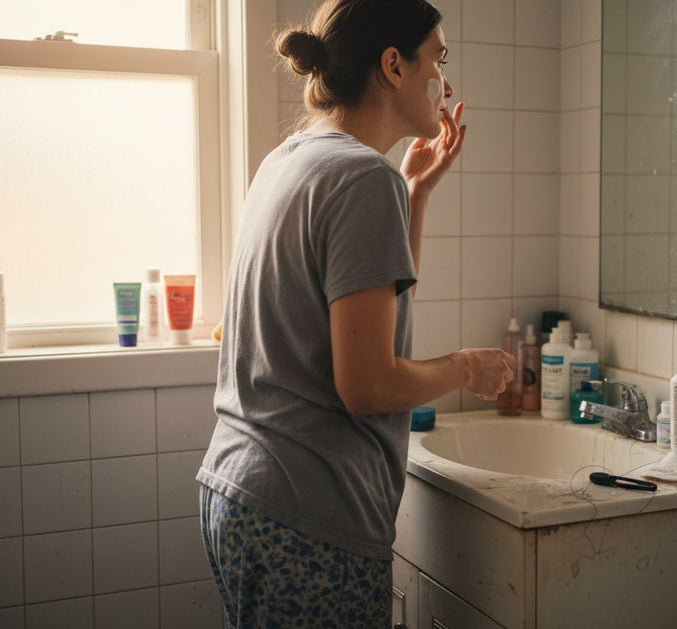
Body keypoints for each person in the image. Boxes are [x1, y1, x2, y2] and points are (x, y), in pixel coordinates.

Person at [196, 0, 515, 626]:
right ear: (394, 65)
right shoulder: (363, 179)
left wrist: (416, 194)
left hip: (239, 489)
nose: (446, 84)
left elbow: (373, 315)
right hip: (306, 513)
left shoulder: (290, 160)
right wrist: (466, 366)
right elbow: (368, 385)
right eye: (438, 60)